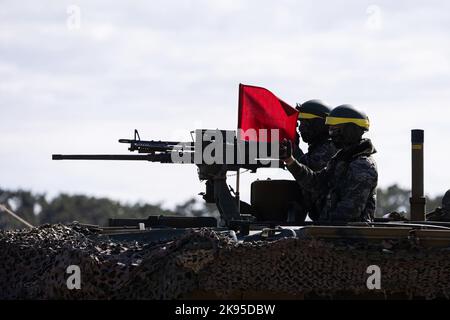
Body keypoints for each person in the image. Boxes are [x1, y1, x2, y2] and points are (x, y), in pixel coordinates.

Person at [280, 104, 378, 223]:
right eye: (330, 129)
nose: (331, 134)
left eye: (335, 129)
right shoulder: (340, 160)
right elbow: (315, 182)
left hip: (351, 238)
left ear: (350, 130)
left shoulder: (363, 165)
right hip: (333, 232)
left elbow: (349, 212)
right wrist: (290, 160)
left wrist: (319, 229)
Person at [291, 100, 338, 222]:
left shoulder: (330, 147)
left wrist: (292, 150)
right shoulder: (318, 147)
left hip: (335, 220)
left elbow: (309, 174)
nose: (301, 128)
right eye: (300, 123)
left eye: (306, 123)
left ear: (319, 124)